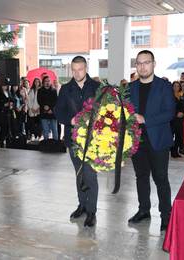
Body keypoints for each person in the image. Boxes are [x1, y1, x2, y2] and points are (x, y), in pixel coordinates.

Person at [128, 50, 175, 232]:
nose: (142, 66)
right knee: (141, 177)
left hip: (158, 141)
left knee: (161, 179)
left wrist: (145, 119)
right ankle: (144, 210)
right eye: (139, 63)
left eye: (146, 62)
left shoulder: (164, 86)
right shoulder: (130, 88)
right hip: (137, 142)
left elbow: (169, 113)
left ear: (153, 64)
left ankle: (166, 215)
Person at [54, 56, 100, 227]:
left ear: (86, 68)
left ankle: (91, 211)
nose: (76, 73)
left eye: (80, 69)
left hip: (93, 140)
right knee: (79, 174)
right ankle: (82, 205)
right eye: (73, 70)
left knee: (90, 175)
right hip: (73, 139)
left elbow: (106, 112)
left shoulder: (96, 87)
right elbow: (58, 112)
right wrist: (70, 120)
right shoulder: (66, 89)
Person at [170, 81, 184, 158]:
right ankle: (172, 151)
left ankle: (176, 151)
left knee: (179, 136)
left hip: (180, 119)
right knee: (171, 135)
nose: (176, 87)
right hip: (172, 119)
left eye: (178, 86)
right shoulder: (169, 96)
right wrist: (176, 113)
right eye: (174, 86)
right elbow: (168, 107)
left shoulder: (182, 95)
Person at [38, 76, 58, 140]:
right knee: (45, 130)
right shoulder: (40, 90)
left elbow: (55, 101)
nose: (48, 82)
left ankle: (56, 144)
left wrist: (50, 109)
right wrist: (44, 107)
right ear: (43, 82)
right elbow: (39, 100)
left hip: (52, 112)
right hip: (43, 112)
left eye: (49, 81)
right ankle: (46, 144)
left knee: (54, 129)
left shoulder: (54, 90)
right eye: (46, 81)